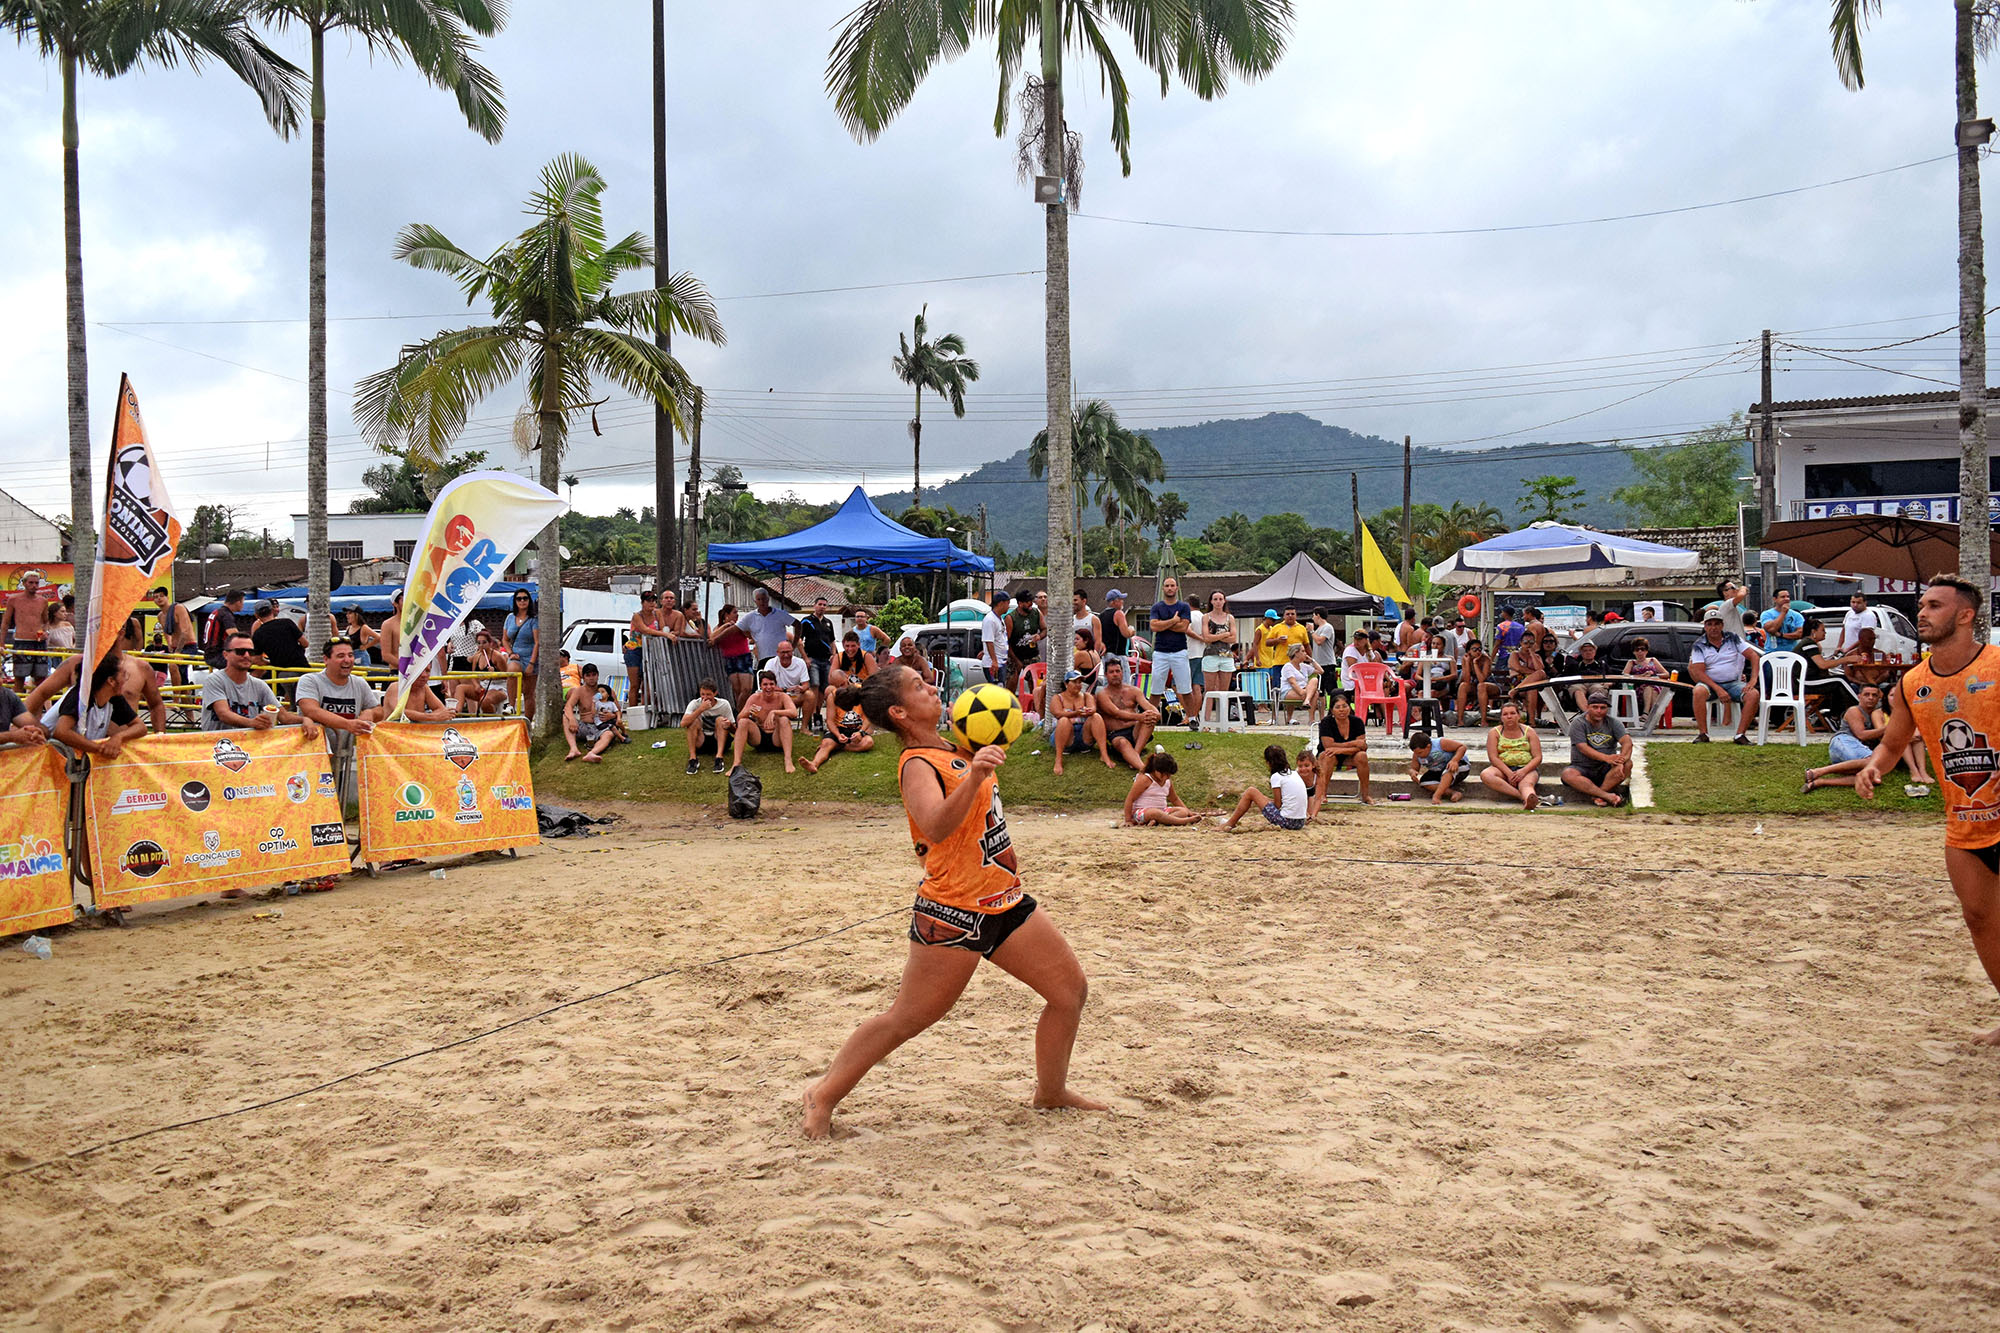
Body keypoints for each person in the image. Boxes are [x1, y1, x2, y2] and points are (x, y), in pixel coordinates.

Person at [802, 664, 1102, 1138]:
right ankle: (822, 1095)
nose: (932, 687)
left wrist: (978, 761)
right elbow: (935, 826)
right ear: (899, 712)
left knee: (1069, 994)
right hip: (952, 913)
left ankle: (1051, 1092)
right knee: (908, 1018)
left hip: (1005, 901)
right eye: (919, 687)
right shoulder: (917, 762)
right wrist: (976, 774)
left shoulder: (955, 744)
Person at [1855, 574, 2000, 1044]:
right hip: (1965, 824)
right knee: (1979, 919)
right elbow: (1894, 744)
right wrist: (1873, 767)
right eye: (1922, 605)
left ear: (1965, 614)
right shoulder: (1913, 682)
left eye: (1934, 605)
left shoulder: (1997, 666)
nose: (1922, 612)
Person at [296, 639, 386, 808]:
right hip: (310, 757)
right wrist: (348, 724)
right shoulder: (310, 680)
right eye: (340, 656)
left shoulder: (359, 683)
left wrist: (369, 713)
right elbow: (310, 710)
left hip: (341, 756)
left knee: (336, 801)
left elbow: (379, 710)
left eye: (351, 655)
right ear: (326, 659)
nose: (347, 660)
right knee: (309, 803)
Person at [1804, 683, 1931, 793]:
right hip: (1844, 741)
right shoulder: (1854, 711)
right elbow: (1861, 735)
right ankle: (1819, 771)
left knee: (1872, 777)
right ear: (1859, 697)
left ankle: (1821, 782)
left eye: (1874, 695)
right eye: (1866, 695)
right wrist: (1892, 727)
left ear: (1879, 698)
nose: (1870, 698)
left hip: (1859, 751)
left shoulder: (1879, 713)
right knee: (1871, 762)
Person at [202, 632, 317, 735]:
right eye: (240, 651)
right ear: (225, 655)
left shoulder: (259, 685)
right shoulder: (214, 680)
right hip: (215, 745)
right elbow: (223, 714)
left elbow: (284, 717)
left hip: (249, 746)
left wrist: (305, 720)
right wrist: (252, 723)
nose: (246, 655)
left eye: (251, 652)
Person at [46, 652, 146, 759]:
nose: (126, 680)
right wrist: (99, 749)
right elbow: (61, 731)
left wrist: (119, 737)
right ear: (111, 681)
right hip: (51, 754)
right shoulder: (81, 696)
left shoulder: (114, 698)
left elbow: (140, 727)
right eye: (123, 675)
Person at [1689, 610, 1760, 743]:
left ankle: (1740, 734)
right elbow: (1698, 672)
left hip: (1733, 683)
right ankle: (1703, 733)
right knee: (1698, 691)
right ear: (1705, 626)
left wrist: (1753, 679)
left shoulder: (1733, 638)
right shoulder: (1699, 645)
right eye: (1709, 624)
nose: (1713, 627)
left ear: (1722, 625)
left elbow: (1753, 656)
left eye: (1717, 624)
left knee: (1753, 694)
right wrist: (1718, 689)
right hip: (1710, 684)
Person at [1563, 689, 1632, 807]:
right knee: (1567, 774)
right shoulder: (1578, 723)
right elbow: (1583, 748)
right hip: (1583, 766)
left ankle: (1597, 795)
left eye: (1603, 708)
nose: (1599, 711)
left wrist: (1622, 760)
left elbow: (1627, 743)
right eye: (1595, 707)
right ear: (1587, 707)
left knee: (1628, 764)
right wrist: (1607, 758)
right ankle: (1606, 796)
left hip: (1606, 768)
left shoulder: (1614, 722)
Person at [1147, 575, 1199, 726]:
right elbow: (1153, 627)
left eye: (1172, 585)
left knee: (1185, 687)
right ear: (1163, 588)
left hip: (1179, 651)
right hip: (1160, 652)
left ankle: (1192, 718)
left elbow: (1183, 627)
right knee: (1156, 687)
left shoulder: (1183, 607)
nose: (1170, 588)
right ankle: (1151, 717)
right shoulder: (1157, 607)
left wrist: (1164, 624)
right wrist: (1173, 621)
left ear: (1177, 588)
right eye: (1167, 586)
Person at [1219, 744, 1310, 831]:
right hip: (1300, 822)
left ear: (1268, 763)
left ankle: (1230, 823)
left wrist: (1262, 803)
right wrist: (1264, 800)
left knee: (1251, 791)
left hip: (1288, 821)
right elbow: (1285, 800)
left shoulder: (1276, 777)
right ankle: (1231, 821)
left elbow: (1277, 805)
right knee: (1262, 798)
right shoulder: (1294, 774)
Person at [1309, 691, 1370, 815]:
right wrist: (1353, 744)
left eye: (1344, 706)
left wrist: (1341, 749)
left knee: (1362, 756)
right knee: (1327, 756)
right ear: (1332, 710)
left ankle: (1365, 795)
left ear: (1349, 707)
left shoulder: (1357, 722)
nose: (1342, 710)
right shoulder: (1326, 723)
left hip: (1350, 755)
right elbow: (1328, 746)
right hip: (1329, 755)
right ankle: (1322, 794)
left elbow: (1362, 746)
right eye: (1337, 707)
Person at [1094, 657, 1157, 770]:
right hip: (1117, 734)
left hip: (1135, 731)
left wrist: (1155, 714)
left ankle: (1135, 755)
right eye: (1111, 672)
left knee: (1149, 717)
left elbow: (1150, 707)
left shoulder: (1134, 690)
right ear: (1106, 675)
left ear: (1123, 673)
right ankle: (1144, 770)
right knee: (1123, 743)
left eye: (1118, 671)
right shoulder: (1102, 695)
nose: (1115, 674)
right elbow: (1116, 713)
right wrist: (1140, 717)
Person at [1480, 699, 1544, 809]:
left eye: (1512, 713)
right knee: (1486, 774)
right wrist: (1509, 773)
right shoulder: (1494, 733)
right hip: (1503, 768)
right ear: (1501, 718)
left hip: (1526, 768)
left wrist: (1523, 771)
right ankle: (1522, 797)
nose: (1509, 716)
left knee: (1526, 784)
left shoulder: (1529, 731)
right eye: (1505, 714)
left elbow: (1538, 757)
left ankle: (1530, 797)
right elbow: (1493, 757)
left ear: (1519, 716)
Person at [733, 669, 799, 772]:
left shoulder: (782, 697)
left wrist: (774, 712)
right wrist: (748, 712)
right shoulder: (754, 698)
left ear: (775, 685)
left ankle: (788, 759)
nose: (768, 687)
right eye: (765, 684)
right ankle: (736, 763)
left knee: (784, 720)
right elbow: (739, 718)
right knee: (743, 722)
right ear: (761, 686)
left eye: (771, 684)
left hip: (777, 738)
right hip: (759, 738)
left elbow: (794, 713)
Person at [1048, 669, 1113, 774]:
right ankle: (1058, 759)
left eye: (1079, 682)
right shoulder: (1058, 698)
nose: (1078, 685)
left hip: (1084, 737)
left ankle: (1104, 755)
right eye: (1074, 682)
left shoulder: (1087, 696)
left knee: (1096, 717)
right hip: (1065, 738)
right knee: (1064, 720)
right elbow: (1058, 713)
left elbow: (1093, 708)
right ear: (1066, 684)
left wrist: (1089, 711)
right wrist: (1075, 713)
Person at [802, 683, 873, 774]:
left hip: (857, 729)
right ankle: (814, 764)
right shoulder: (832, 696)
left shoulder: (865, 694)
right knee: (826, 744)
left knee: (868, 742)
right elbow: (830, 721)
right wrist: (838, 735)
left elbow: (869, 717)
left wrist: (861, 732)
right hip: (839, 728)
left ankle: (839, 747)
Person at [2, 569, 51, 687]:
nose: (34, 586)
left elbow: (46, 622)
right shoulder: (14, 599)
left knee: (40, 679)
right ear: (24, 583)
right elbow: (5, 622)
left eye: (36, 583)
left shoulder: (43, 601)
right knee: (19, 679)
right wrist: (1, 643)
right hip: (21, 641)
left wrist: (45, 632)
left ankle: (37, 706)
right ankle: (16, 705)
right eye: (31, 583)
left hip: (39, 643)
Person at [1124, 752, 1200, 826]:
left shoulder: (1167, 781)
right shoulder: (1145, 779)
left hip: (1162, 810)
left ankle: (1159, 821)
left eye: (1168, 775)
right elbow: (1130, 799)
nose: (1166, 777)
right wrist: (1128, 820)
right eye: (1163, 774)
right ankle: (1183, 821)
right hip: (1143, 812)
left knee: (1182, 811)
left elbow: (1174, 799)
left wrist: (1188, 812)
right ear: (1156, 770)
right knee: (1155, 813)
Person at [625, 591, 671, 708]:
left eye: (654, 601)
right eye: (648, 601)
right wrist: (664, 634)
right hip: (635, 650)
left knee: (648, 683)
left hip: (651, 650)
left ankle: (646, 711)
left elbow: (662, 628)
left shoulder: (657, 614)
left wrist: (666, 633)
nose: (652, 604)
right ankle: (633, 711)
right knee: (635, 684)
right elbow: (644, 629)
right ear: (642, 602)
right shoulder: (637, 616)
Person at [680, 679, 735, 774]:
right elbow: (683, 723)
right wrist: (700, 710)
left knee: (720, 720)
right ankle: (693, 759)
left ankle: (719, 757)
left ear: (715, 693)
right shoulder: (695, 703)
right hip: (702, 741)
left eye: (708, 694)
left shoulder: (724, 704)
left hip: (719, 739)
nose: (705, 697)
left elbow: (735, 730)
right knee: (693, 721)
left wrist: (729, 725)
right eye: (702, 694)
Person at [562, 663, 615, 762]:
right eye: (588, 675)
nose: (591, 678)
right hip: (584, 727)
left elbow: (618, 710)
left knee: (609, 734)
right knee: (565, 717)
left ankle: (592, 754)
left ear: (598, 675)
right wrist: (572, 719)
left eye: (594, 675)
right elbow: (568, 707)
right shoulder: (579, 691)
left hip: (601, 727)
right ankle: (573, 749)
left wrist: (612, 715)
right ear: (583, 677)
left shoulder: (606, 691)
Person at [709, 604, 757, 711]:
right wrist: (725, 626)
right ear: (727, 615)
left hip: (743, 657)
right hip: (729, 659)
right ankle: (741, 713)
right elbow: (712, 637)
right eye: (734, 612)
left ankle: (739, 712)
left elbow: (751, 636)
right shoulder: (719, 628)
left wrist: (738, 627)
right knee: (737, 689)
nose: (737, 615)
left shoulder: (740, 626)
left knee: (747, 688)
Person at [502, 590, 540, 720]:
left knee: (529, 693)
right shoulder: (510, 618)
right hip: (516, 655)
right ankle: (511, 704)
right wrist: (510, 653)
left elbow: (537, 642)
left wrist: (531, 663)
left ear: (529, 601)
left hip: (530, 656)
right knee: (512, 670)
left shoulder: (534, 620)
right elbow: (505, 639)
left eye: (525, 598)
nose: (522, 601)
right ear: (515, 601)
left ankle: (528, 722)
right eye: (519, 599)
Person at [797, 595, 838, 710]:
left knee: (824, 687)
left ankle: (818, 714)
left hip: (826, 660)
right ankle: (811, 711)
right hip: (812, 659)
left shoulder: (828, 622)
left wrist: (833, 655)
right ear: (814, 606)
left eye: (824, 605)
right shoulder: (806, 621)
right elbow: (799, 641)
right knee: (815, 685)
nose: (822, 607)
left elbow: (832, 641)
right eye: (820, 604)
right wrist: (805, 658)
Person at [763, 639, 818, 725]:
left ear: (792, 651)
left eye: (788, 652)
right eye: (783, 652)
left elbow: (806, 684)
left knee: (810, 695)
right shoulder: (770, 663)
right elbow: (766, 685)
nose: (786, 655)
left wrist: (801, 688)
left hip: (794, 696)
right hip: (776, 696)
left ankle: (804, 727)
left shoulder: (800, 663)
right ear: (777, 653)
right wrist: (784, 690)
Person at [151, 586, 196, 683]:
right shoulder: (160, 616)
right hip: (175, 648)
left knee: (173, 665)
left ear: (167, 597)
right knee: (183, 680)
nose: (158, 598)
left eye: (161, 596)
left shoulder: (178, 608)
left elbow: (185, 631)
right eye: (155, 597)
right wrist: (170, 645)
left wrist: (178, 651)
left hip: (188, 646)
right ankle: (183, 697)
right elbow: (166, 631)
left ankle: (175, 698)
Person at [1407, 731, 1467, 804]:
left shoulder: (1440, 743)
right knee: (1424, 782)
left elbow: (1462, 747)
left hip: (1458, 765)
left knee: (1448, 771)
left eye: (1420, 752)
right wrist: (1412, 772)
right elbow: (1414, 768)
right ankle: (1453, 793)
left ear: (1428, 746)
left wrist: (1455, 760)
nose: (1418, 755)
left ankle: (1437, 796)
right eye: (1416, 753)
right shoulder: (1417, 754)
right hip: (1438, 770)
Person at [739, 587, 796, 662]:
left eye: (763, 599)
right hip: (763, 657)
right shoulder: (751, 617)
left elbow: (797, 624)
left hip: (780, 657)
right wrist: (751, 636)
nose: (762, 602)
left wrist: (793, 645)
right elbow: (739, 628)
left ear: (768, 599)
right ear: (755, 601)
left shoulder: (780, 614)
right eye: (759, 599)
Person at [1199, 591, 1239, 699]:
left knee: (1224, 691)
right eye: (1215, 599)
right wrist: (1225, 634)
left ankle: (1223, 715)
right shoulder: (1206, 617)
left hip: (1226, 655)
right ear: (1211, 601)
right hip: (1210, 654)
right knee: (1209, 690)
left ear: (1224, 601)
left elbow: (1233, 638)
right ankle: (1207, 715)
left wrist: (1216, 636)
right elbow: (1206, 638)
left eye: (1220, 599)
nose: (1218, 602)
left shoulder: (1229, 618)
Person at [1005, 587, 1044, 693]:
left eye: (1031, 601)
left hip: (1032, 655)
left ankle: (1035, 707)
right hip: (1015, 655)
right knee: (1011, 685)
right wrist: (1016, 660)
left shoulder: (1036, 613)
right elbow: (1006, 642)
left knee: (1036, 686)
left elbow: (1045, 629)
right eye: (1027, 602)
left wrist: (1039, 636)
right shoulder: (1011, 617)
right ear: (1020, 603)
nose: (1030, 604)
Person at [1623, 635, 1670, 717]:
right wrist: (1642, 676)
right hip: (1639, 688)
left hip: (1655, 685)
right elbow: (1625, 675)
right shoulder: (1631, 662)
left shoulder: (1653, 660)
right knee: (1649, 688)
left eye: (1643, 649)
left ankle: (1646, 714)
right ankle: (1653, 717)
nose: (1640, 652)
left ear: (1646, 651)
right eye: (1637, 650)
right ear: (1633, 652)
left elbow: (1666, 674)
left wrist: (1654, 676)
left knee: (1653, 689)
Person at [1276, 642, 1320, 722]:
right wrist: (1302, 692)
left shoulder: (1304, 666)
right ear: (1296, 653)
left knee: (1314, 680)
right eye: (1303, 651)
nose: (1305, 653)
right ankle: (1311, 718)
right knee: (1314, 694)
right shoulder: (1288, 667)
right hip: (1288, 691)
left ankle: (1307, 702)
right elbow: (1293, 683)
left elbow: (1320, 671)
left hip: (1304, 690)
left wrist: (1312, 660)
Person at [1566, 639, 1612, 713]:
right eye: (1585, 650)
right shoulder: (1575, 665)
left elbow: (1612, 677)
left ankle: (1595, 712)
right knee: (1577, 689)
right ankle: (1588, 713)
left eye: (1590, 650)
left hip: (1596, 684)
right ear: (1581, 653)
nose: (1588, 652)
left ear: (1595, 652)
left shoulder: (1602, 664)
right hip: (1580, 684)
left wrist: (1608, 684)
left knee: (1597, 690)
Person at [0, 677, 48, 748]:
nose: (1, 681)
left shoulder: (7, 696)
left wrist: (36, 732)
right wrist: (11, 736)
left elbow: (35, 726)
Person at [1759, 588, 1805, 655]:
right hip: (1773, 653)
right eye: (1782, 597)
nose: (1786, 599)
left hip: (1792, 653)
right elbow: (1771, 630)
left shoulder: (1797, 615)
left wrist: (1781, 635)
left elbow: (1800, 634)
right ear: (1775, 599)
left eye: (1788, 596)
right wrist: (1783, 613)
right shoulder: (1767, 614)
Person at [1308, 606, 1341, 698]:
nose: (1312, 618)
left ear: (1318, 615)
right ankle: (1323, 711)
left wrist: (1311, 631)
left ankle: (1335, 708)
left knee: (1332, 689)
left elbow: (1319, 641)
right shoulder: (1319, 629)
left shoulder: (1327, 627)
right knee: (1320, 690)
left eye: (1313, 615)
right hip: (1319, 664)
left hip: (1327, 663)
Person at [980, 590, 1010, 684]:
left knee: (1001, 687)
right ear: (1001, 603)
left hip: (1001, 661)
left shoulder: (999, 619)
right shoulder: (990, 620)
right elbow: (989, 641)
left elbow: (998, 638)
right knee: (996, 690)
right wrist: (994, 661)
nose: (1008, 606)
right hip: (994, 663)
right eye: (1007, 603)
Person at [1839, 590, 1875, 654]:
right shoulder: (1849, 613)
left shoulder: (1868, 615)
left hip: (1861, 652)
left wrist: (1848, 649)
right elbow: (1844, 630)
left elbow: (1865, 637)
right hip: (1849, 652)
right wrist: (1839, 646)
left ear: (1865, 603)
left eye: (1858, 603)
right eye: (1853, 602)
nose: (1855, 605)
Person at [1099, 589, 1131, 659]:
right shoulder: (1119, 613)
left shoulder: (1101, 615)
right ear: (1114, 601)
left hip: (1105, 655)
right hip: (1117, 655)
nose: (1122, 601)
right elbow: (1126, 633)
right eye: (1120, 599)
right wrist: (1131, 631)